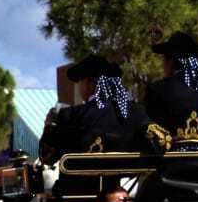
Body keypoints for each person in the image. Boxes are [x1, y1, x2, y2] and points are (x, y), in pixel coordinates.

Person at [37, 54, 168, 164]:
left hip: (74, 187)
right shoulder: (134, 112)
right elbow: (163, 142)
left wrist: (50, 125)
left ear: (88, 84)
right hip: (117, 186)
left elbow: (47, 157)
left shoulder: (68, 115)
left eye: (80, 81)